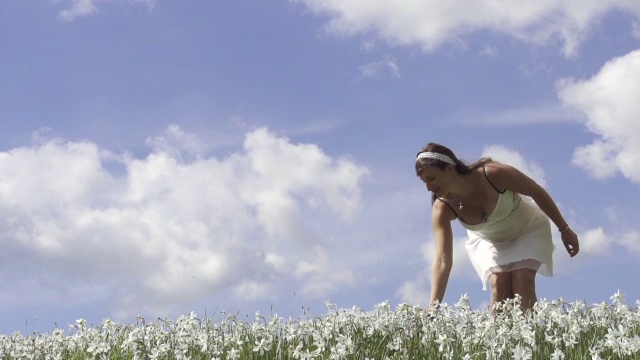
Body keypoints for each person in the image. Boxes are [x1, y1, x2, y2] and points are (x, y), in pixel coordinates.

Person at [415, 143, 580, 310]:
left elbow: (536, 191)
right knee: (498, 283)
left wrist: (564, 229)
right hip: (489, 240)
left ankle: (529, 334)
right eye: (424, 181)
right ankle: (499, 336)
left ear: (449, 169)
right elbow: (442, 260)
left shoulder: (494, 173)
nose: (428, 187)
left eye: (432, 178)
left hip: (527, 228)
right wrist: (433, 307)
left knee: (522, 278)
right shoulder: (441, 208)